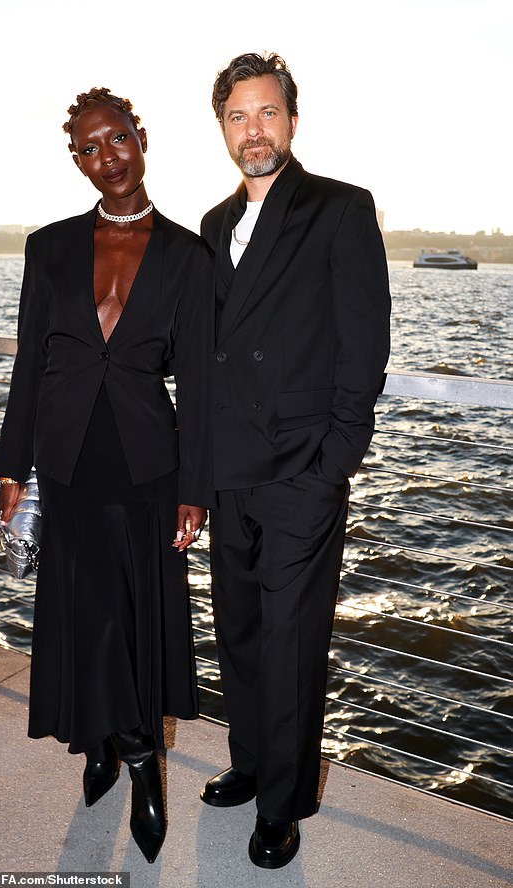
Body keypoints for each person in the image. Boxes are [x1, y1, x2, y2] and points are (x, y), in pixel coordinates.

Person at [0, 87, 212, 865]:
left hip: (148, 463)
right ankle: (101, 744)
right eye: (89, 148)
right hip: (68, 459)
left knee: (137, 613)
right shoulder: (47, 247)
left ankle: (142, 759)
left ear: (140, 137)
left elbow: (200, 384)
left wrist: (196, 484)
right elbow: (31, 365)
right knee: (86, 611)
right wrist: (11, 466)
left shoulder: (189, 255)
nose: (106, 157)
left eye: (116, 139)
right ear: (77, 160)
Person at [199, 52, 391, 869]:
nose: (255, 131)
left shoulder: (340, 210)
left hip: (302, 470)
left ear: (293, 120)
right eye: (239, 117)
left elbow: (365, 341)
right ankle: (250, 762)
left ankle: (283, 802)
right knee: (239, 628)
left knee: (289, 640)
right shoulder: (212, 225)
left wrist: (335, 457)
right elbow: (208, 352)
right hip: (229, 470)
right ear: (223, 130)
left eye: (267, 113)